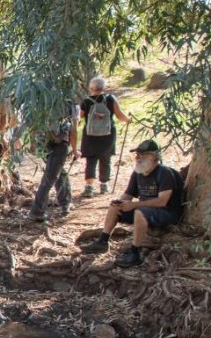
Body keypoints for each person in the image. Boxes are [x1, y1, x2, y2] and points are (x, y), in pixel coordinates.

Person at [81, 140, 185, 268]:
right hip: (145, 210)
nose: (138, 158)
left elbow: (162, 201)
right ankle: (102, 241)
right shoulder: (138, 173)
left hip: (167, 213)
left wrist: (134, 205)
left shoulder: (165, 173)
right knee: (115, 206)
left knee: (140, 212)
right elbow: (128, 195)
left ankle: (135, 253)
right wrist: (121, 202)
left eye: (143, 155)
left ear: (155, 157)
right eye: (137, 155)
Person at [79, 76, 132, 197]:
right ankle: (104, 185)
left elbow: (80, 117)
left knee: (91, 160)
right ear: (103, 87)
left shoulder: (86, 101)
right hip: (107, 134)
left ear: (91, 88)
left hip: (90, 135)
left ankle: (89, 187)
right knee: (105, 159)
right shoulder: (110, 99)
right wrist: (128, 120)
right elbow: (119, 115)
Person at [29, 102, 79, 221]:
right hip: (59, 144)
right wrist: (75, 150)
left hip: (43, 142)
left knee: (58, 172)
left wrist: (33, 143)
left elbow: (33, 122)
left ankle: (65, 203)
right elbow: (73, 129)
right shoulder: (72, 104)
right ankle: (37, 211)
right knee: (50, 177)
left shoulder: (43, 99)